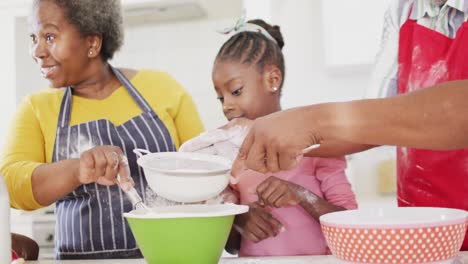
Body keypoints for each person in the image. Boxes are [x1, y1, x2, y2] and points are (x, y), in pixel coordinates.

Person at [232, 0, 468, 251]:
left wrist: (315, 121)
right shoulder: (403, 12)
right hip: (429, 229)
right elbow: (376, 121)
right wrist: (276, 140)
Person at [0, 0, 203, 259]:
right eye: (33, 37)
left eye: (49, 36)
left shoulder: (161, 88)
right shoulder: (36, 108)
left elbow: (203, 166)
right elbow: (11, 187)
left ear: (92, 44)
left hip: (173, 256)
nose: (37, 51)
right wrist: (77, 169)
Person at [181, 18, 357, 256]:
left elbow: (351, 224)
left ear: (272, 80)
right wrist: (238, 219)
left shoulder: (316, 146)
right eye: (221, 98)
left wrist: (300, 195)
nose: (227, 106)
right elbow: (231, 245)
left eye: (235, 91)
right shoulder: (227, 154)